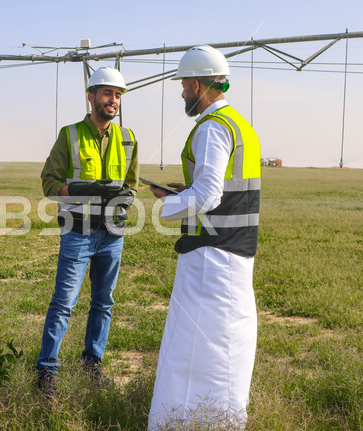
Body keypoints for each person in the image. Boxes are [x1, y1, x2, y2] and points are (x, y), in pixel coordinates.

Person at [147, 45, 261, 429]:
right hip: (233, 254)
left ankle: (190, 422)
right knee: (221, 347)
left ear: (197, 85)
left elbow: (209, 195)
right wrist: (188, 189)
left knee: (196, 351)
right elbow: (225, 188)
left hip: (212, 259)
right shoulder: (239, 124)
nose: (181, 93)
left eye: (183, 85)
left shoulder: (211, 128)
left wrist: (167, 203)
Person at [36, 66, 140, 395]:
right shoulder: (69, 135)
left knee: (103, 303)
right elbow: (49, 184)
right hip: (78, 234)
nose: (113, 100)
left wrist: (124, 198)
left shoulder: (129, 139)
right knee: (63, 303)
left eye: (118, 95)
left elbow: (132, 186)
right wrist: (83, 190)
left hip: (112, 235)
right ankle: (46, 372)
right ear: (91, 96)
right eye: (108, 93)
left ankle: (92, 364)